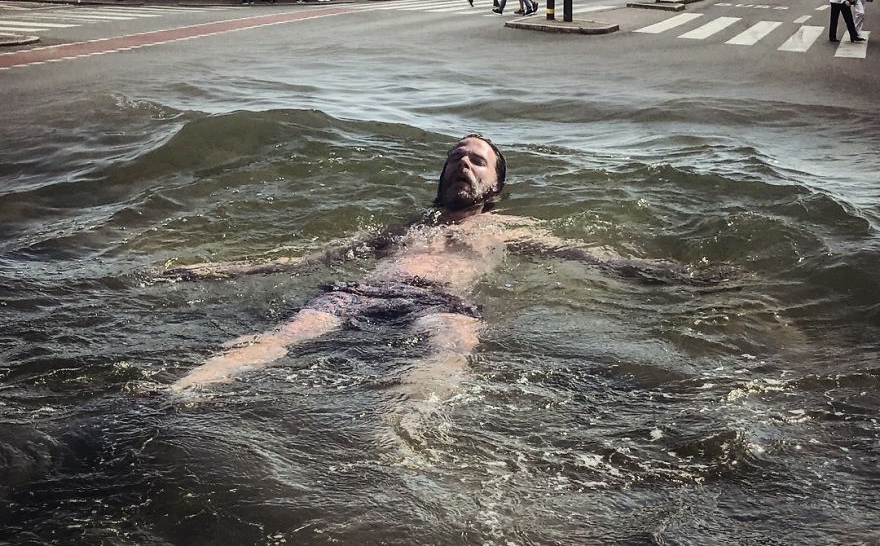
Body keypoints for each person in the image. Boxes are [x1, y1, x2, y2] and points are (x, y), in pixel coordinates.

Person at [164, 135, 729, 394]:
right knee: (286, 333)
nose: (464, 162)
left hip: (443, 302)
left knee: (452, 347)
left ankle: (406, 432)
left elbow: (595, 256)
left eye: (477, 160)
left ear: (495, 184)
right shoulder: (403, 227)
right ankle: (183, 391)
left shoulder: (510, 229)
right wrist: (219, 270)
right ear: (441, 176)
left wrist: (679, 277)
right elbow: (310, 257)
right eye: (456, 156)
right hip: (361, 295)